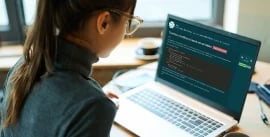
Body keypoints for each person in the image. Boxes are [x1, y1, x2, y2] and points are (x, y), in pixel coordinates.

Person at [0, 0, 143, 136]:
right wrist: (94, 109)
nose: (126, 32)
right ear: (103, 23)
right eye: (127, 23)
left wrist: (91, 102)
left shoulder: (24, 65)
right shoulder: (93, 107)